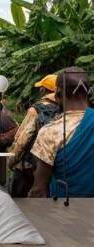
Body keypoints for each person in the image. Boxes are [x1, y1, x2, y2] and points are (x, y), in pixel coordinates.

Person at [30, 67, 94, 198]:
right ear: (89, 92)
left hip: (66, 213)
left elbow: (39, 190)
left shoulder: (50, 132)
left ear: (58, 93)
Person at [8, 74, 60, 197]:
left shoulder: (36, 110)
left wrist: (11, 161)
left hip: (30, 163)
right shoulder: (64, 108)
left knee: (17, 197)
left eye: (41, 87)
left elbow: (22, 139)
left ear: (44, 90)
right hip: (53, 162)